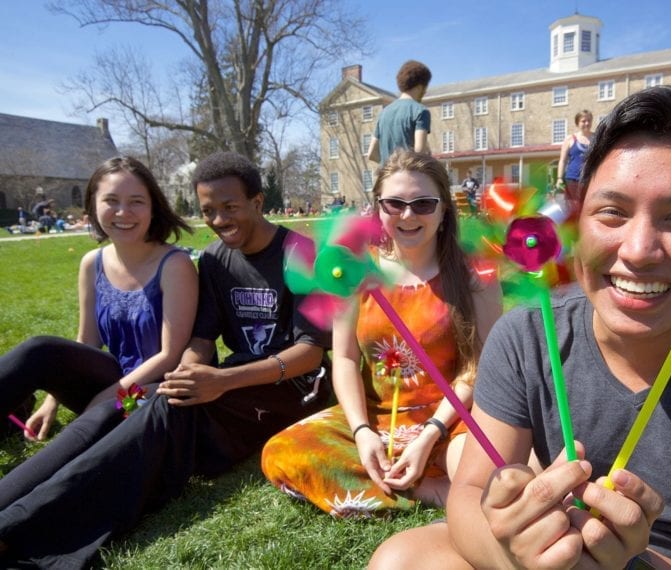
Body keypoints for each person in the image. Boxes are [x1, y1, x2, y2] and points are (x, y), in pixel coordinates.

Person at [370, 85, 671, 569]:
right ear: (576, 222)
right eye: (612, 212)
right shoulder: (526, 338)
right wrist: (524, 556)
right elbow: (471, 496)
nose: (637, 250)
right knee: (401, 559)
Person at [0, 152, 332, 567]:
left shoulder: (302, 252)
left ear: (258, 202)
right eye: (208, 210)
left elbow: (310, 352)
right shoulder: (213, 259)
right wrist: (191, 368)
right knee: (121, 408)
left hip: (294, 391)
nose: (219, 219)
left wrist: (221, 381)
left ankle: (18, 531)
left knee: (160, 409)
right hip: (233, 379)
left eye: (230, 207)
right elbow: (202, 337)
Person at [261, 150, 502, 517]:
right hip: (376, 417)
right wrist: (360, 431)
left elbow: (478, 368)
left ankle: (423, 478)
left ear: (443, 210)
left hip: (450, 419)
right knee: (281, 452)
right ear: (378, 208)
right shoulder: (352, 271)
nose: (408, 215)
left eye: (423, 203)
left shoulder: (476, 276)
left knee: (484, 472)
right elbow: (343, 357)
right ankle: (429, 490)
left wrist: (431, 434)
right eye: (394, 204)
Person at [0, 156, 198, 562]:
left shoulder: (174, 264)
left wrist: (114, 392)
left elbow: (170, 353)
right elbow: (86, 342)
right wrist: (54, 400)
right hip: (109, 380)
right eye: (111, 200)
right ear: (93, 205)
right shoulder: (91, 263)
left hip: (148, 389)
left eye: (136, 201)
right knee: (39, 350)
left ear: (153, 205)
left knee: (105, 414)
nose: (123, 213)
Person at [367, 60, 432, 166]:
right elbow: (419, 153)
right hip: (409, 179)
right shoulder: (420, 111)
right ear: (420, 86)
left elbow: (371, 154)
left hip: (386, 180)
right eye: (425, 87)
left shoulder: (383, 113)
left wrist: (390, 165)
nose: (425, 92)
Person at [556, 109, 593, 216]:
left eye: (589, 121)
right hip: (572, 180)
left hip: (590, 180)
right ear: (578, 123)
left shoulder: (596, 138)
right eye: (583, 121)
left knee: (587, 208)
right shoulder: (570, 139)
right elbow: (562, 160)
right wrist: (559, 179)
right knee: (572, 209)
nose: (587, 123)